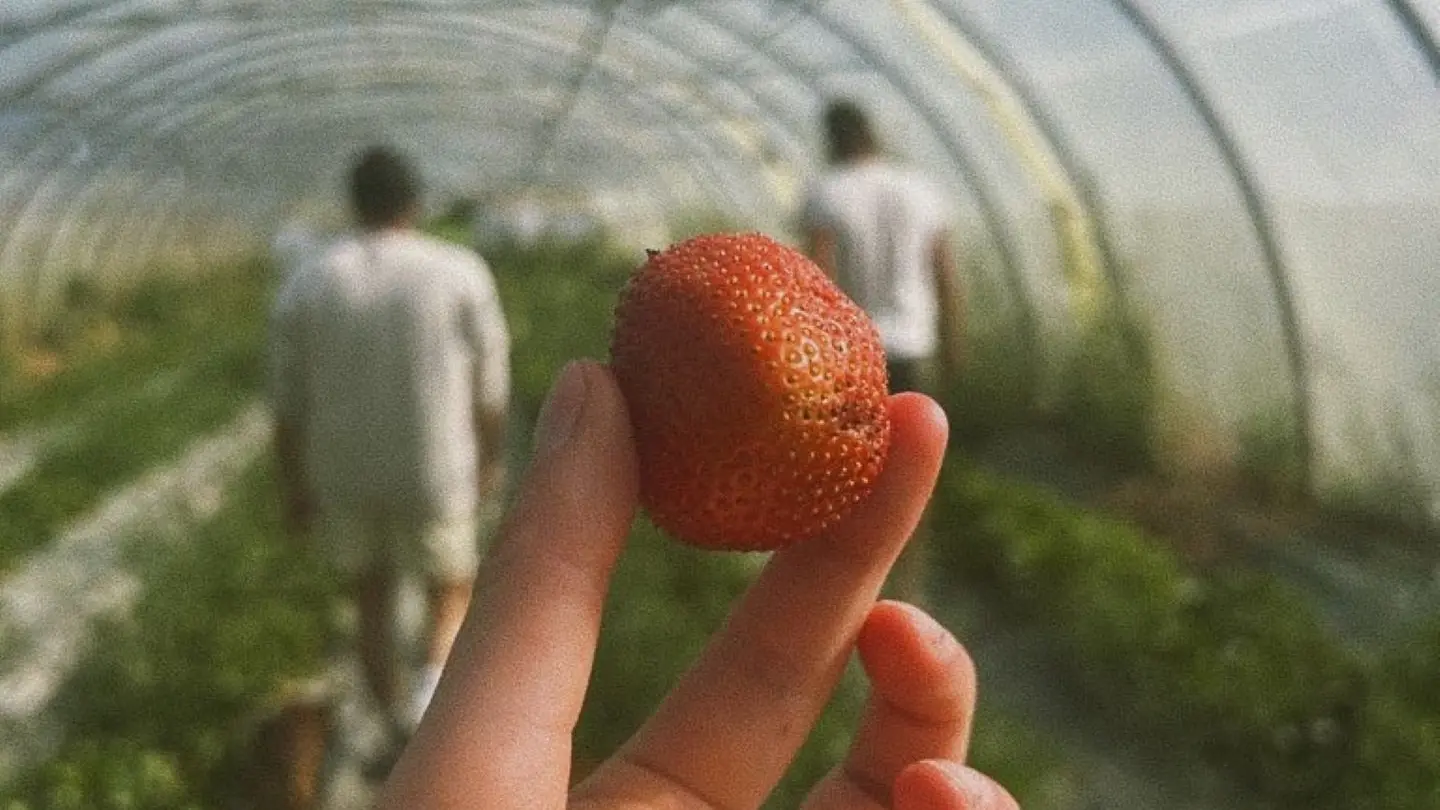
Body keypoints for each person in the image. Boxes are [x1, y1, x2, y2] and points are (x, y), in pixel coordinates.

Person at [376, 360, 1019, 810]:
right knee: (445, 582)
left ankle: (398, 706)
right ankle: (415, 699)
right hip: (444, 467)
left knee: (379, 582)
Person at [269, 146, 511, 755]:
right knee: (448, 587)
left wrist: (293, 485)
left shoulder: (311, 279)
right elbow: (491, 387)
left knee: (370, 596)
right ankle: (434, 711)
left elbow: (285, 402)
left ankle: (399, 723)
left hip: (343, 472)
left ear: (353, 205)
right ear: (415, 202)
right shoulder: (458, 271)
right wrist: (490, 458)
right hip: (436, 465)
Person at [800, 99, 966, 605]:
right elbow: (944, 271)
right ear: (873, 133)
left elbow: (817, 279)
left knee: (847, 469)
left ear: (832, 138)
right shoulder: (919, 190)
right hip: (914, 344)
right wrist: (955, 341)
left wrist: (812, 358)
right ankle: (907, 577)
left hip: (854, 355)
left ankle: (849, 581)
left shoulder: (828, 193)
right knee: (912, 465)